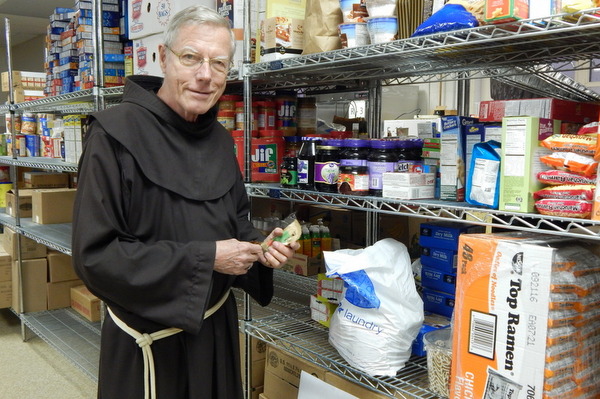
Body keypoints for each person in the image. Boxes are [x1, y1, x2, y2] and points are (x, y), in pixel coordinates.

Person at [72, 6, 298, 399]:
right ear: (163, 57)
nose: (205, 75)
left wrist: (260, 246)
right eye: (191, 57)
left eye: (219, 64)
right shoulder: (112, 135)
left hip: (215, 331)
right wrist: (207, 258)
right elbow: (96, 256)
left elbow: (234, 221)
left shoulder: (221, 141)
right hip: (149, 343)